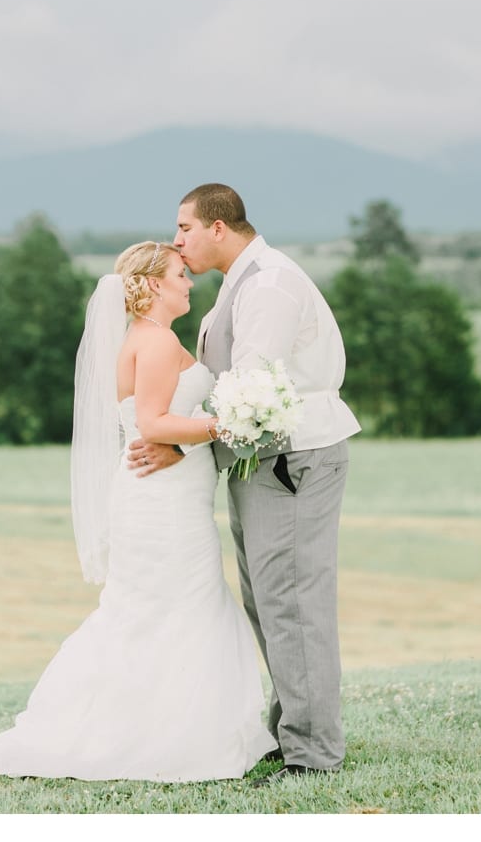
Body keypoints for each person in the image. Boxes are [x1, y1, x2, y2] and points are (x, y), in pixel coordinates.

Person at [0, 241, 277, 782]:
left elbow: (158, 423)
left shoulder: (153, 338)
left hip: (169, 493)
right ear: (154, 284)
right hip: (160, 502)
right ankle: (145, 736)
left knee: (168, 608)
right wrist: (229, 426)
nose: (189, 282)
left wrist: (203, 432)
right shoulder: (154, 344)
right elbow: (153, 425)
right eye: (181, 274)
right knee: (168, 609)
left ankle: (177, 728)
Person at [127, 183, 361, 786]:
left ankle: (312, 755)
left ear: (219, 228)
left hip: (292, 458)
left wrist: (177, 441)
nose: (176, 240)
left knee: (293, 603)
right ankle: (291, 733)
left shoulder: (268, 286)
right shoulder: (242, 282)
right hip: (258, 458)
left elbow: (253, 388)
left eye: (184, 228)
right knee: (270, 599)